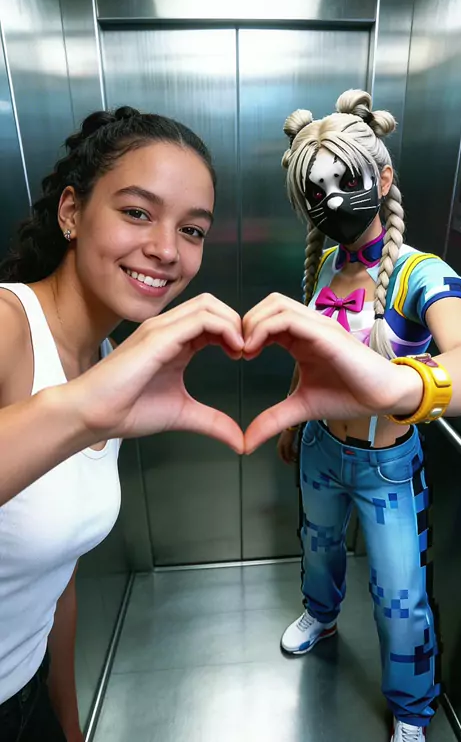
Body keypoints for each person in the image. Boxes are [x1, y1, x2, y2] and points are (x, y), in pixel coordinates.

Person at [0, 107, 245, 742]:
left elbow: (59, 577)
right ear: (71, 211)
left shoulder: (109, 358)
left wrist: (67, 719)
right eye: (137, 212)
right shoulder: (7, 327)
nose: (166, 249)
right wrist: (82, 410)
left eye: (192, 230)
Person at [244, 89, 461, 742]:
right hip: (321, 450)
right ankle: (321, 616)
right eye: (316, 192)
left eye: (346, 182)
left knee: (401, 596)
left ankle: (411, 709)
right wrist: (296, 420)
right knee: (318, 547)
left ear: (383, 176)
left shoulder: (420, 274)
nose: (333, 202)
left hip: (389, 466)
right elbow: (312, 356)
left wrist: (400, 387)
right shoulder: (324, 265)